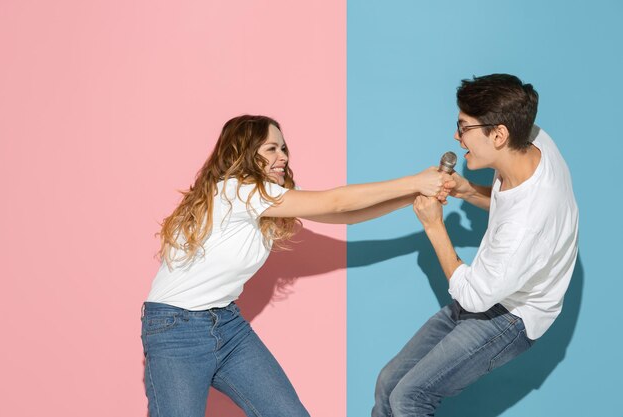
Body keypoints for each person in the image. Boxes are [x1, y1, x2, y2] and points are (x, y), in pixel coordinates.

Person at [141, 114, 453, 417]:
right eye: (271, 148)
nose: (283, 157)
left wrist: (415, 194)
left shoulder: (265, 198)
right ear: (244, 153)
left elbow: (344, 215)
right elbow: (335, 202)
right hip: (175, 329)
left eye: (284, 148)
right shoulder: (236, 190)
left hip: (226, 324)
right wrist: (415, 181)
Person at [372, 74, 579, 417]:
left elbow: (474, 296)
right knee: (388, 382)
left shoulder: (527, 222)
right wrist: (468, 191)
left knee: (409, 397)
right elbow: (506, 203)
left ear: (498, 135)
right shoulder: (533, 141)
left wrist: (434, 225)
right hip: (492, 286)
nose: (456, 136)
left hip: (513, 315)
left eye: (463, 127)